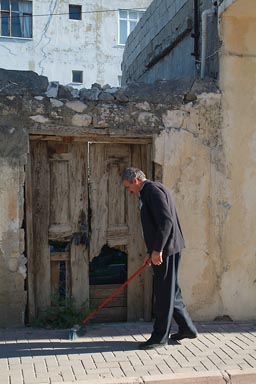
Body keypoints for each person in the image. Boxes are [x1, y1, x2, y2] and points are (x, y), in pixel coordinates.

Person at [121, 167, 197, 350]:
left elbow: (166, 221)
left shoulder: (152, 191)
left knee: (163, 293)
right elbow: (157, 224)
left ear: (135, 181)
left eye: (128, 187)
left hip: (167, 250)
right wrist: (151, 251)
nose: (128, 191)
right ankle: (187, 328)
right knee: (171, 291)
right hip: (167, 249)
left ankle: (159, 337)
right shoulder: (152, 190)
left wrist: (158, 250)